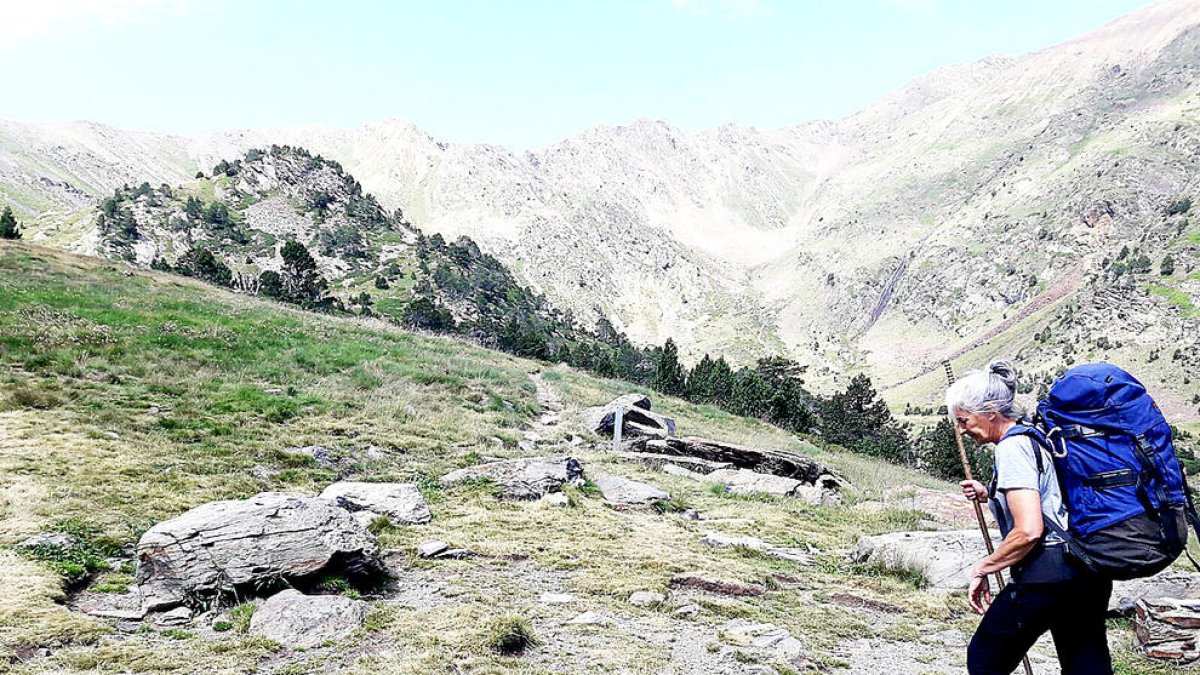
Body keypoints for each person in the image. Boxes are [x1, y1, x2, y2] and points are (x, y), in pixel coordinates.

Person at [945, 360, 1113, 675]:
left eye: (965, 420)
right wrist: (990, 494)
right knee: (1086, 664)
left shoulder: (1012, 448)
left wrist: (985, 567)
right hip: (1088, 571)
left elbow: (1029, 530)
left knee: (985, 659)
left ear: (990, 413)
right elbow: (1050, 500)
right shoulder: (1036, 436)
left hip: (1048, 576)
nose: (962, 430)